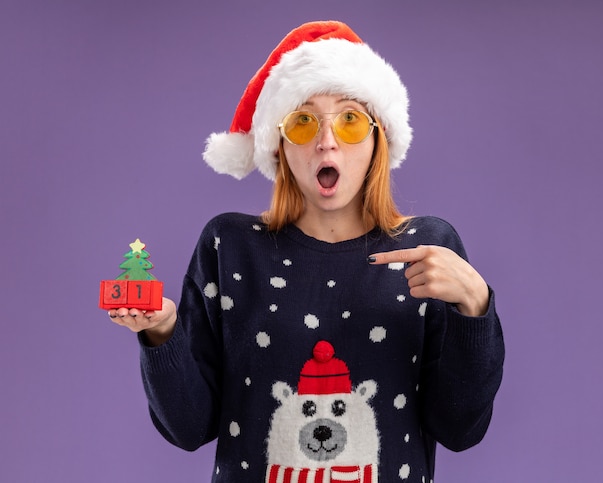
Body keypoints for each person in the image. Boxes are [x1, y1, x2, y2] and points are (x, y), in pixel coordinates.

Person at [108, 20, 504, 483]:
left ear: (378, 138)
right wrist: (163, 332)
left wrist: (475, 307)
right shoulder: (229, 247)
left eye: (350, 120)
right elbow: (188, 427)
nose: (327, 140)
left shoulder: (428, 250)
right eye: (303, 121)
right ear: (279, 145)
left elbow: (460, 428)